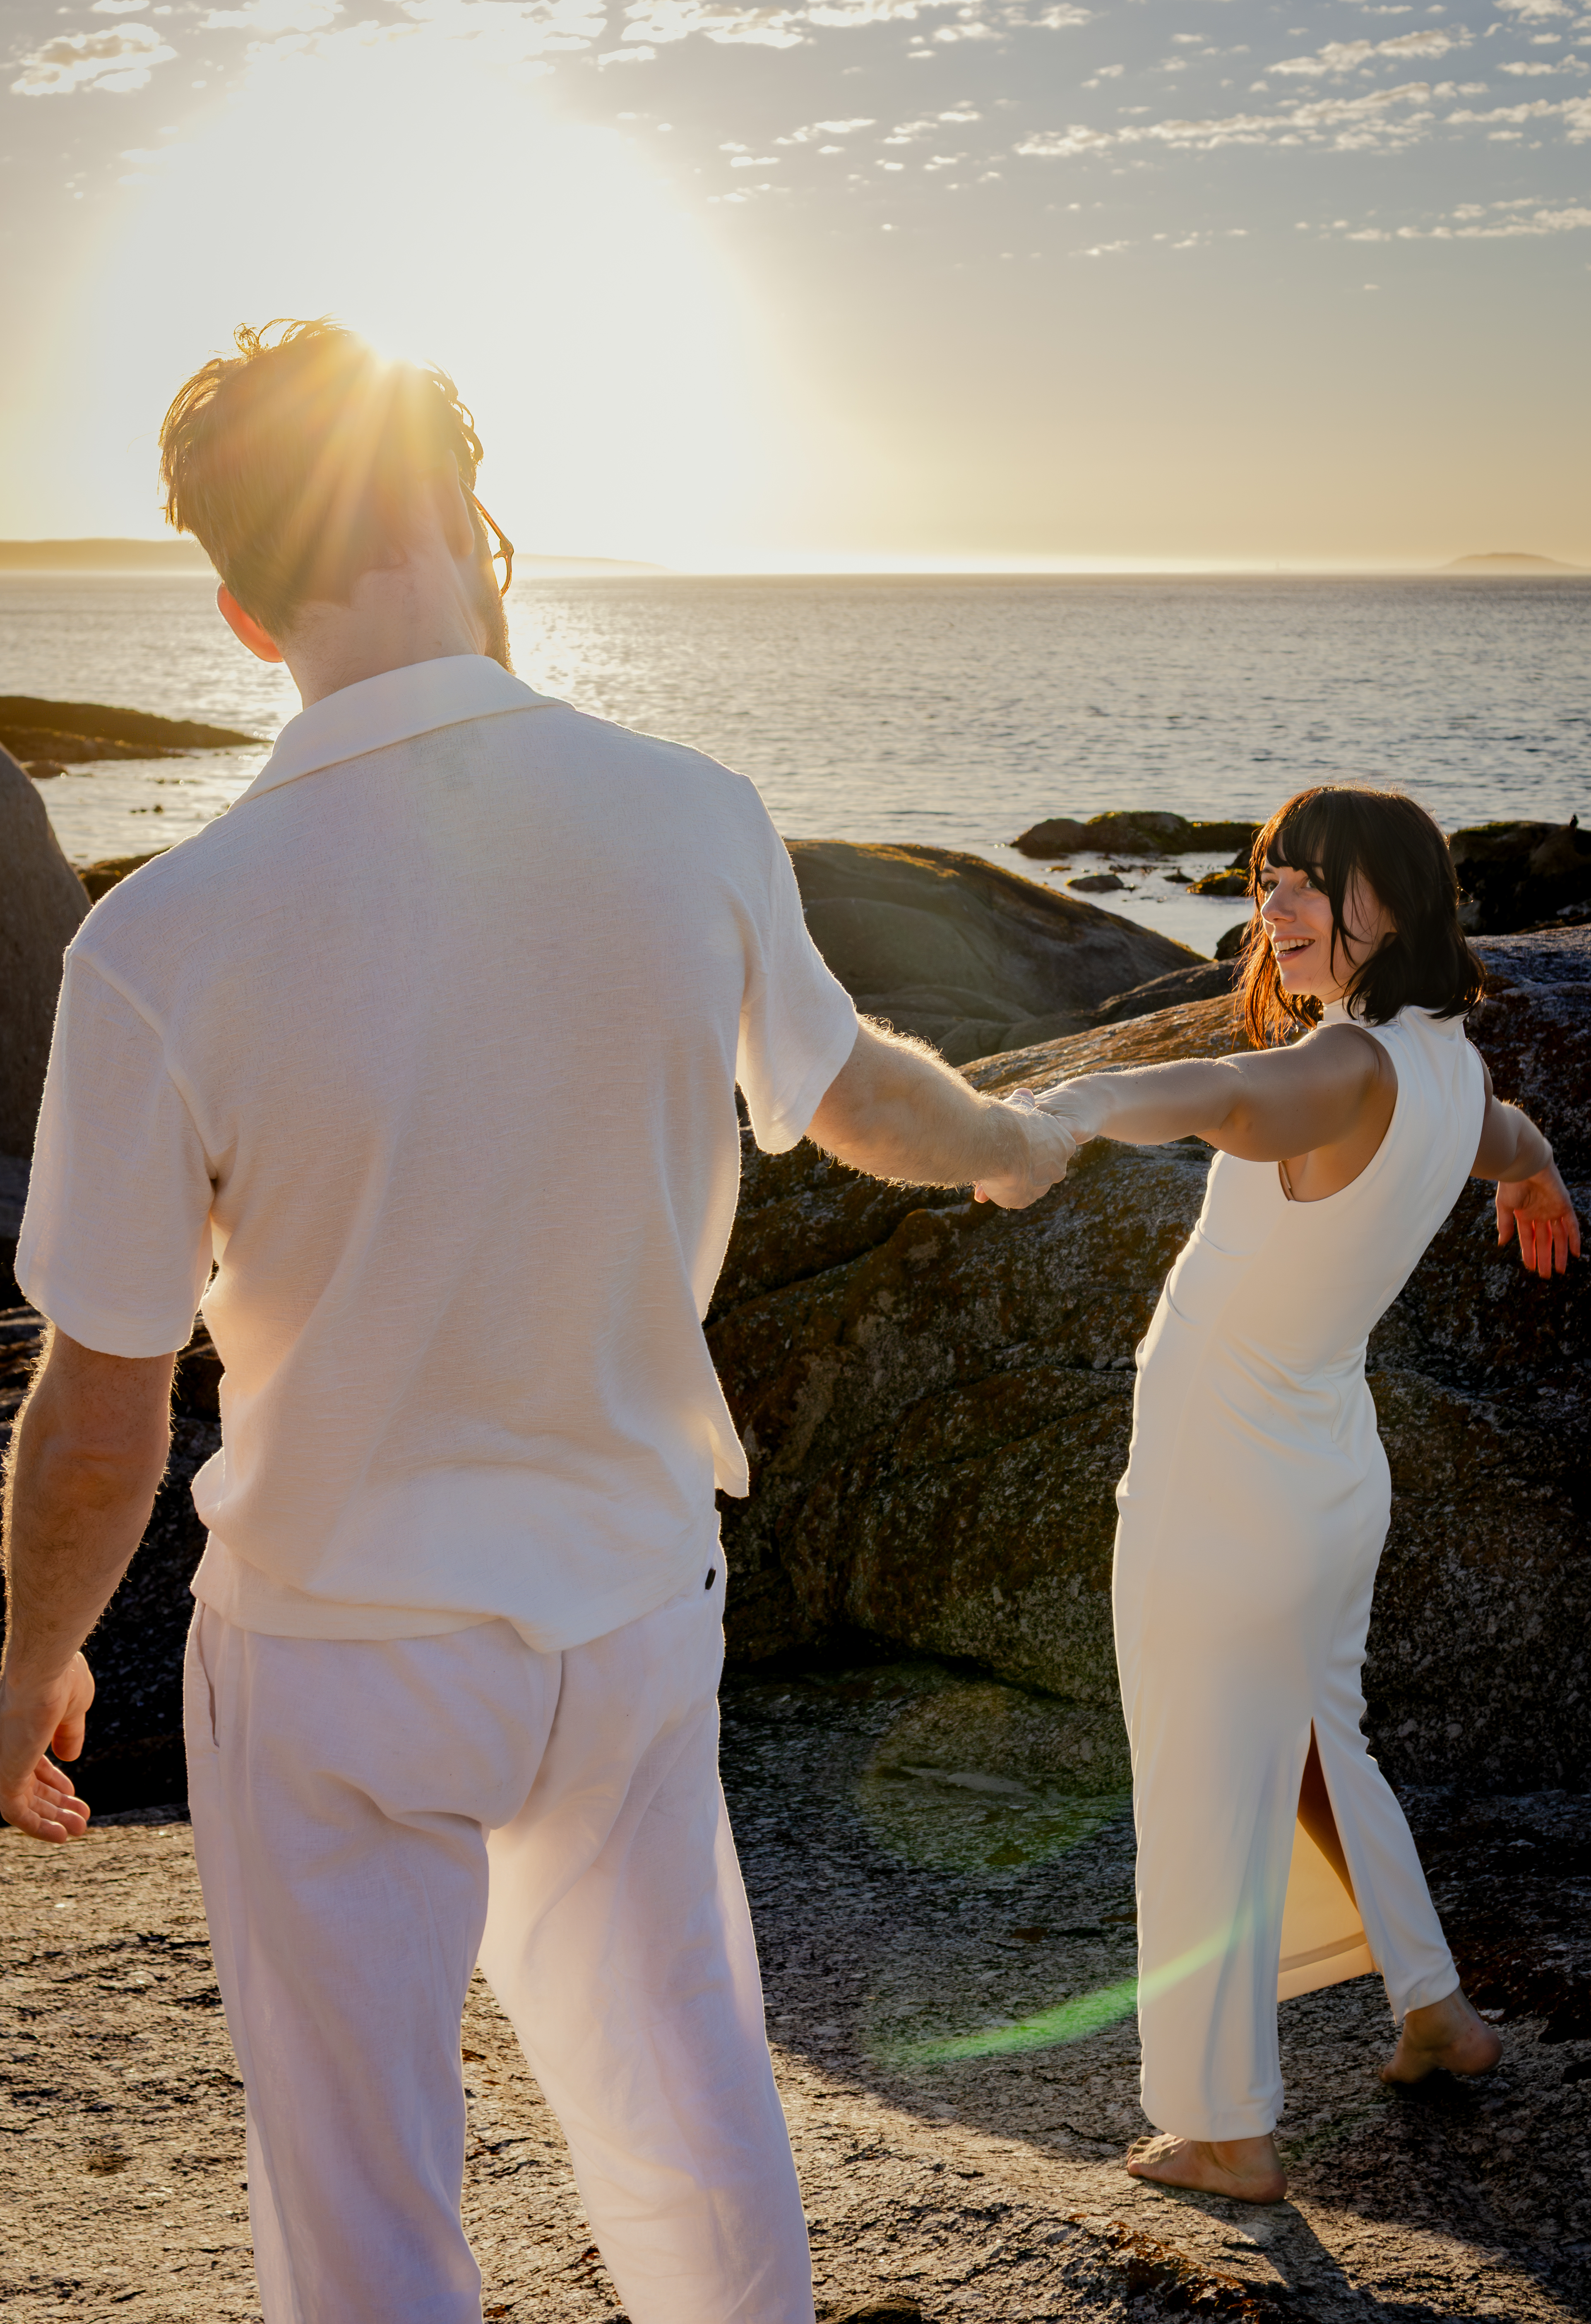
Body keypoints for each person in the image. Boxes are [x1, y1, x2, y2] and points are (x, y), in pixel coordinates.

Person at [0, 317, 1076, 2324]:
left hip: (338, 1654)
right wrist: (1018, 1141)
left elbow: (100, 1407)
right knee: (686, 2111)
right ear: (476, 525)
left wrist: (29, 1657)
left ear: (240, 612)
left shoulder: (167, 936)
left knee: (370, 2212)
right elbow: (860, 1101)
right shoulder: (690, 814)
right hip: (631, 1614)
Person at [1031, 784, 1579, 2206]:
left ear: (1386, 908)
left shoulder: (1340, 1067)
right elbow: (1510, 1139)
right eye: (1266, 879)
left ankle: (1226, 2129)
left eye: (1304, 885)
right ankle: (1433, 2011)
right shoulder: (1448, 1068)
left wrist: (1073, 1106)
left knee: (1206, 1784)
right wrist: (1539, 1181)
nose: (1266, 908)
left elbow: (1220, 1095)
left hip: (1226, 1484)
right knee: (1323, 1750)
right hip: (1324, 1470)